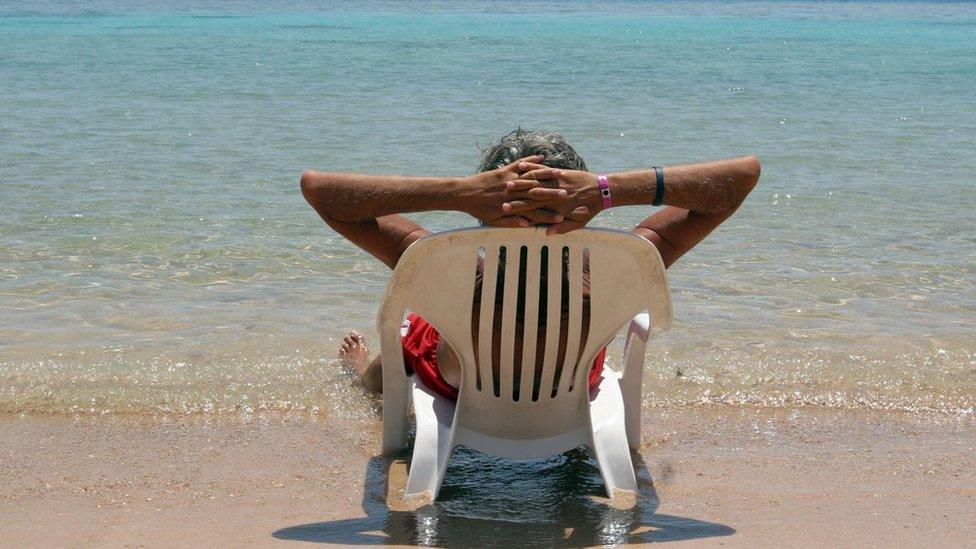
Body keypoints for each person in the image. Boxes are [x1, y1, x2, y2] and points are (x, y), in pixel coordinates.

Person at [300, 129, 760, 398]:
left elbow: (321, 191)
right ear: (579, 201)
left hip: (465, 383)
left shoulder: (447, 268)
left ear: (486, 202)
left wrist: (457, 193)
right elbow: (741, 177)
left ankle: (364, 377)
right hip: (567, 385)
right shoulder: (616, 266)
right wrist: (607, 189)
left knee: (413, 328)